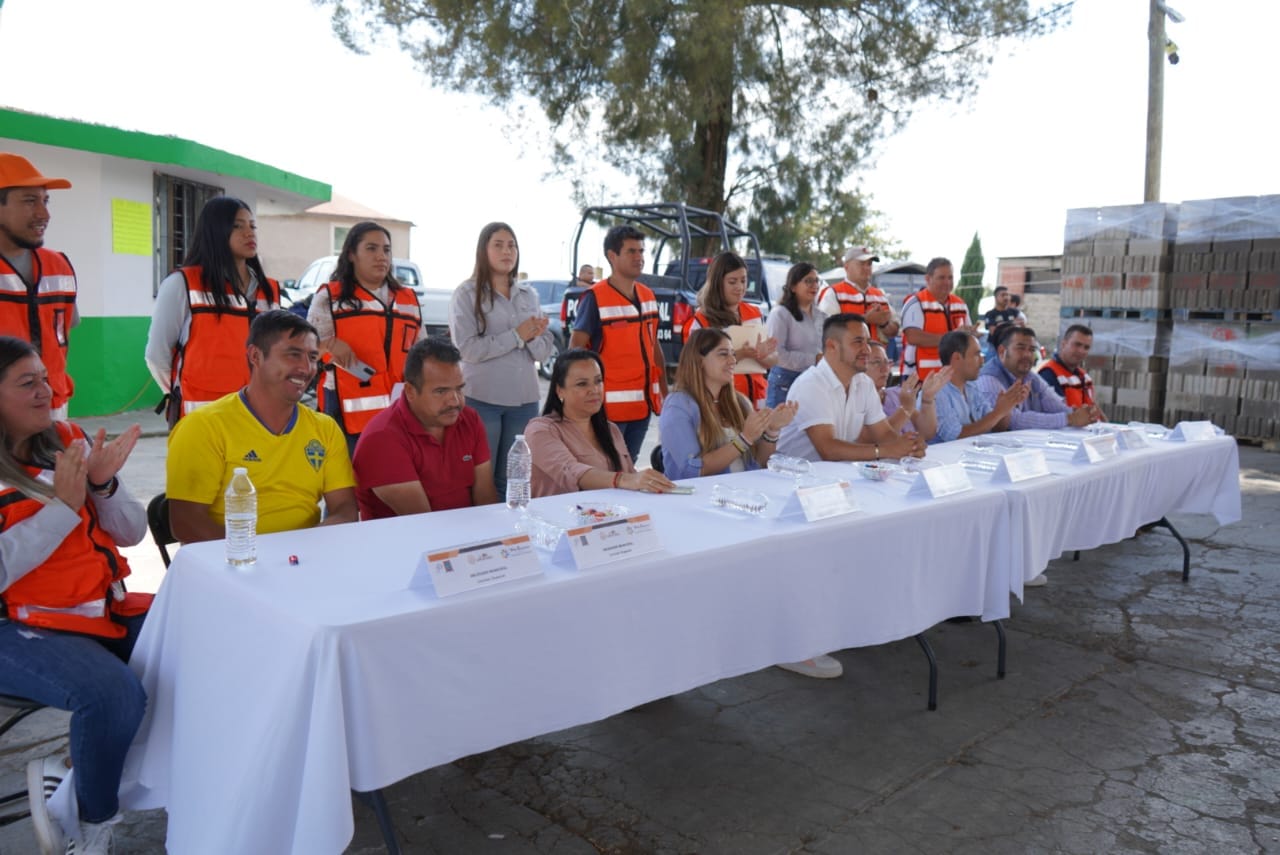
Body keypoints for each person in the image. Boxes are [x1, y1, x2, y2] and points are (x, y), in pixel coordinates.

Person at [0, 337, 147, 855]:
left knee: (202, 646)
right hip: (13, 628)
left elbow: (132, 534)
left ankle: (70, 777)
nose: (48, 391)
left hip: (94, 609)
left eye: (45, 377)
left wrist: (103, 486)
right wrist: (63, 507)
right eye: (28, 383)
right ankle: (90, 824)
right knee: (112, 695)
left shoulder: (69, 439)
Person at [166, 310, 357, 542]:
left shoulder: (325, 428)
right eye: (293, 355)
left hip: (302, 561)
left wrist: (300, 550)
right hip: (230, 564)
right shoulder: (203, 426)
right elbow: (187, 524)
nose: (306, 368)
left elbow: (345, 510)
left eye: (313, 358)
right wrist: (264, 554)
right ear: (255, 356)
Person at [146, 196, 281, 428]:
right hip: (202, 421)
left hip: (257, 417)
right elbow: (157, 356)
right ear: (215, 231)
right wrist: (182, 391)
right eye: (238, 226)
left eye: (252, 226)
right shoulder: (182, 284)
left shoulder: (269, 290)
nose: (249, 233)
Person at [448, 222, 552, 494]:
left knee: (516, 480)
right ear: (483, 250)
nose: (507, 251)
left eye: (512, 245)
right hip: (483, 399)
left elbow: (543, 351)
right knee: (482, 479)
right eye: (499, 245)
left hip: (525, 400)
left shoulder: (529, 294)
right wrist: (517, 336)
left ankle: (513, 534)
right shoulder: (466, 294)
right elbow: (468, 349)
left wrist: (532, 337)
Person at [352, 337, 498, 519]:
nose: (454, 401)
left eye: (459, 389)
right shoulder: (382, 438)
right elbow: (422, 521)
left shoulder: (469, 419)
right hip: (405, 543)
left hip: (465, 538)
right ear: (410, 392)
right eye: (441, 391)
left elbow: (486, 500)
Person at [308, 221, 422, 450]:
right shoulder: (331, 297)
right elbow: (306, 352)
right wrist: (329, 344)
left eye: (386, 250)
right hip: (344, 414)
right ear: (351, 254)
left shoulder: (408, 299)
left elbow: (422, 354)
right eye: (371, 248)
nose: (381, 256)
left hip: (401, 413)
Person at [569, 225, 667, 462]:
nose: (639, 258)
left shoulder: (648, 296)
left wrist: (666, 393)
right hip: (606, 410)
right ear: (612, 256)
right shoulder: (595, 298)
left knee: (628, 468)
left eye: (642, 251)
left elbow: (654, 347)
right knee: (605, 471)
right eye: (632, 251)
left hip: (642, 408)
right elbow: (575, 350)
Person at [776, 314, 925, 463]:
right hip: (792, 479)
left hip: (835, 476)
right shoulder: (811, 384)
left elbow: (884, 433)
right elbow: (828, 449)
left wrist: (908, 447)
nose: (867, 349)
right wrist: (887, 450)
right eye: (858, 342)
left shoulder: (864, 383)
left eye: (867, 342)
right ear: (832, 346)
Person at [526, 348, 676, 497]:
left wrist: (648, 482)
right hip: (557, 518)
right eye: (582, 384)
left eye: (598, 381)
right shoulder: (540, 430)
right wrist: (624, 480)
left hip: (611, 515)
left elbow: (631, 478)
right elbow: (571, 472)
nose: (594, 390)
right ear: (560, 390)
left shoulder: (611, 429)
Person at [0, 154, 79, 419]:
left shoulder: (59, 266)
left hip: (52, 414)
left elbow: (64, 334)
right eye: (29, 201)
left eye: (45, 201)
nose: (44, 213)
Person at [659, 328, 796, 480]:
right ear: (699, 361)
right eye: (723, 354)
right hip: (695, 499)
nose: (733, 361)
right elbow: (692, 470)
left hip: (740, 496)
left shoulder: (740, 402)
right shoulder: (678, 405)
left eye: (733, 354)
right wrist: (744, 439)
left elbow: (761, 464)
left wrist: (772, 430)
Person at [684, 251, 776, 410]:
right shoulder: (701, 321)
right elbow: (697, 367)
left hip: (758, 402)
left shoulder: (754, 313)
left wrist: (761, 354)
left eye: (743, 280)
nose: (740, 287)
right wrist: (740, 354)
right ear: (717, 283)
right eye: (732, 282)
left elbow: (772, 362)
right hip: (723, 405)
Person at [975, 325, 1102, 430]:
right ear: (1002, 351)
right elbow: (1012, 421)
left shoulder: (1031, 377)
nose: (1027, 355)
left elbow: (1056, 407)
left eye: (1031, 350)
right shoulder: (989, 379)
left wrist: (1080, 414)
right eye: (1020, 348)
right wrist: (1070, 419)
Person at [931, 330, 1030, 444]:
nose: (982, 361)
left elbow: (996, 427)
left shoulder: (972, 387)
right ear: (957, 358)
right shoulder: (937, 392)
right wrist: (997, 413)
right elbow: (956, 437)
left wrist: (1007, 407)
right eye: (977, 355)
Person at [900, 257, 972, 380]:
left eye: (950, 277)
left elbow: (968, 335)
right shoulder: (915, 303)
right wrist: (951, 339)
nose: (947, 282)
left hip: (952, 377)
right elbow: (913, 337)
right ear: (928, 279)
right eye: (942, 278)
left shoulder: (960, 304)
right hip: (919, 378)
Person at [764, 262, 825, 407]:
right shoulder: (780, 314)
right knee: (782, 429)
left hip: (814, 381)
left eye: (817, 281)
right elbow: (777, 355)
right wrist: (814, 359)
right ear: (793, 287)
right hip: (785, 383)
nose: (814, 285)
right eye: (808, 281)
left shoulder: (822, 316)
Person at [860, 340, 946, 442]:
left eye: (887, 362)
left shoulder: (897, 394)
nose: (885, 369)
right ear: (860, 366)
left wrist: (927, 399)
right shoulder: (856, 401)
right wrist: (905, 409)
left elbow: (927, 433)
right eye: (877, 362)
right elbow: (879, 440)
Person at [816, 246, 899, 344]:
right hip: (845, 358)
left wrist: (884, 324)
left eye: (869, 264)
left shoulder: (879, 295)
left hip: (876, 358)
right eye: (861, 263)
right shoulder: (833, 293)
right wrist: (865, 319)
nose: (867, 267)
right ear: (846, 267)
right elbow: (826, 329)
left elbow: (895, 330)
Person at [1038, 324, 1102, 410]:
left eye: (1086, 347)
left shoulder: (1085, 377)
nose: (1081, 351)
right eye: (1077, 345)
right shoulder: (1048, 374)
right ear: (1063, 344)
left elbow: (1096, 409)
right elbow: (1055, 414)